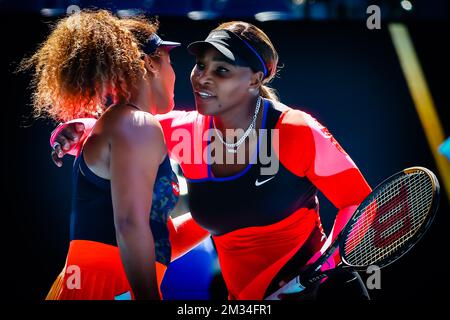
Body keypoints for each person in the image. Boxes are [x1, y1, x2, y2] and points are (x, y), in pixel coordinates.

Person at [49, 21, 372, 300]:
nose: (202, 78)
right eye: (200, 65)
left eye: (221, 70)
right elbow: (121, 132)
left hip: (319, 293)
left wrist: (324, 265)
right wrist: (77, 129)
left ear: (255, 80)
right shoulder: (185, 131)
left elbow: (361, 203)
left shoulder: (294, 131)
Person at [21, 10, 209, 300]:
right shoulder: (136, 125)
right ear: (150, 63)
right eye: (170, 61)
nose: (176, 75)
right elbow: (130, 226)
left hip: (97, 286)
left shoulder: (126, 124)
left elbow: (160, 238)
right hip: (107, 288)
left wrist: (223, 211)